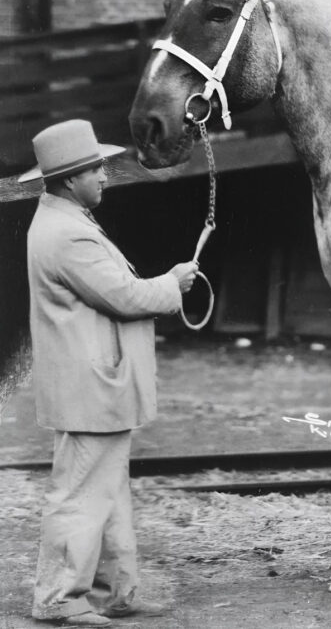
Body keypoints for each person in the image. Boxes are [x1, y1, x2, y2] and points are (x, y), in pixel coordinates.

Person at [18, 119, 199, 627]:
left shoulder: (65, 221)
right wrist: (173, 283)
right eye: (96, 167)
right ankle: (60, 598)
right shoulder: (68, 234)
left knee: (106, 492)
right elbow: (125, 297)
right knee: (80, 495)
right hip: (90, 387)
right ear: (70, 178)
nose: (104, 175)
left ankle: (112, 591)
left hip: (94, 386)